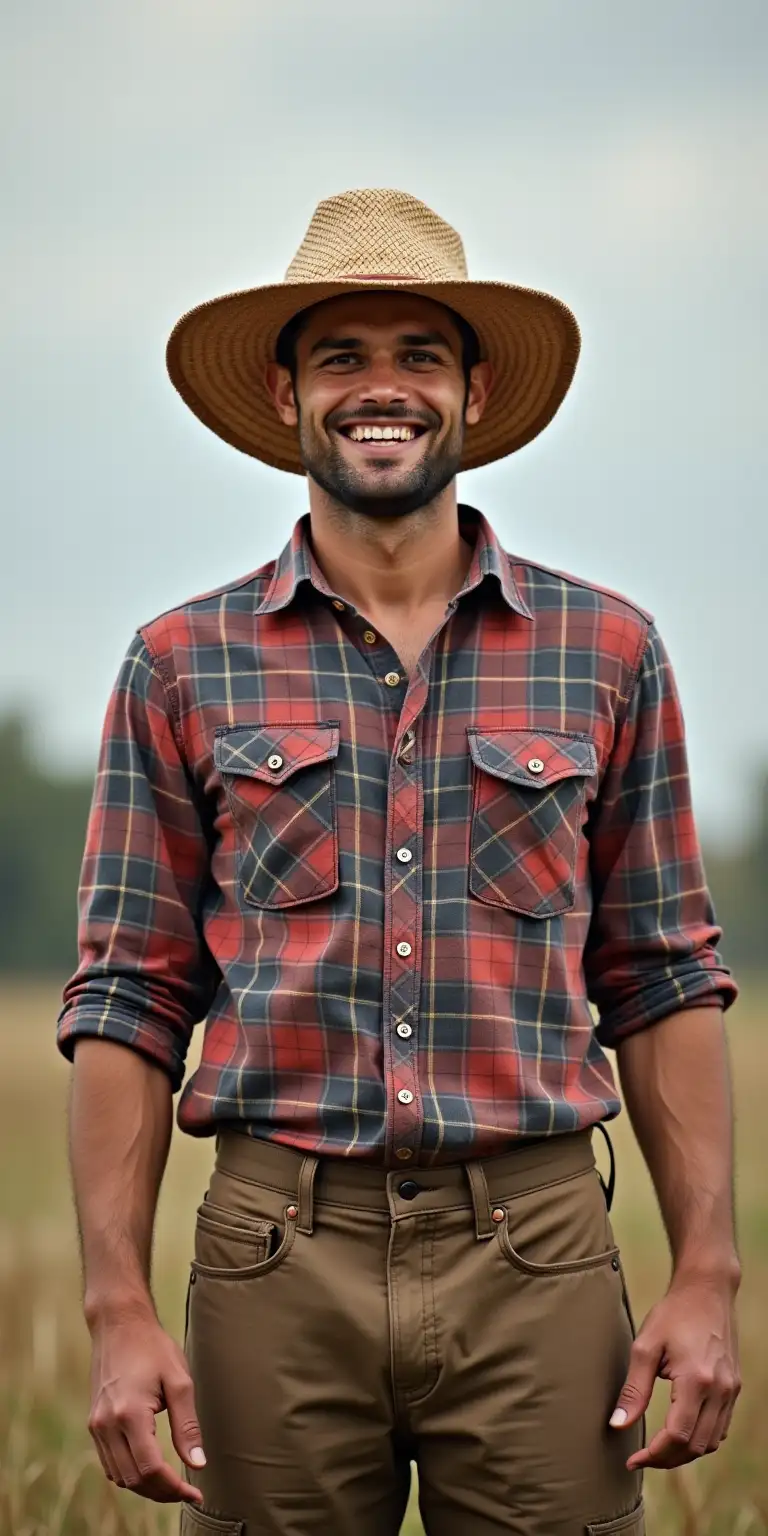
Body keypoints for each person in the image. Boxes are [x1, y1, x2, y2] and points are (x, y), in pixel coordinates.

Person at [58, 188, 741, 1536]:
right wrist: (118, 1307)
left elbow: (663, 977)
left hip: (537, 1252)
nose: (384, 390)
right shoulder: (180, 662)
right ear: (288, 394)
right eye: (343, 360)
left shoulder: (608, 653)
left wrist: (709, 1273)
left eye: (419, 356)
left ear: (473, 392)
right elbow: (128, 997)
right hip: (273, 1254)